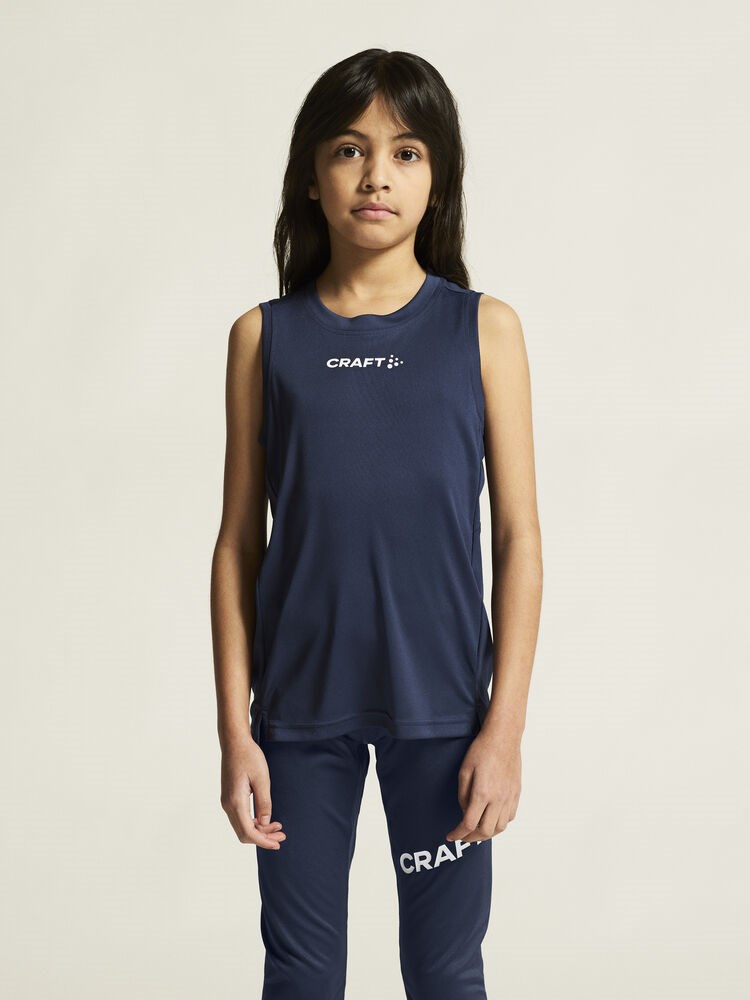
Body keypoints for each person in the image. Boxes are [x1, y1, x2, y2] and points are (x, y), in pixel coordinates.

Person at [210, 48, 543, 1000]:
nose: (376, 177)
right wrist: (234, 732)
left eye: (406, 153)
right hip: (297, 713)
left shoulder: (484, 330)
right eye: (350, 150)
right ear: (311, 177)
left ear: (437, 181)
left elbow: (519, 540)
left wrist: (505, 729)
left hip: (445, 713)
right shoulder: (264, 338)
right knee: (302, 977)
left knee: (445, 973)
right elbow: (238, 544)